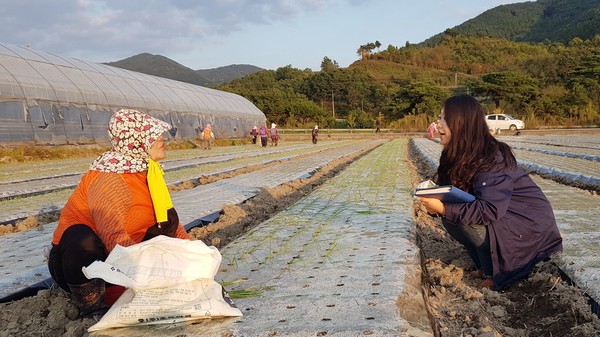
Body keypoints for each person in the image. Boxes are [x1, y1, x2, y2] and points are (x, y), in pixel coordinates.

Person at [48, 109, 192, 317]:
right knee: (80, 237)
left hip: (120, 255)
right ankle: (92, 305)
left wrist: (194, 252)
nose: (162, 140)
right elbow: (113, 237)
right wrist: (146, 274)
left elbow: (173, 226)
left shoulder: (149, 172)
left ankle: (124, 286)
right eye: (154, 135)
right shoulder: (111, 179)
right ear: (135, 141)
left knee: (168, 219)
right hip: (81, 263)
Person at [418, 95, 562, 291]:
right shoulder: (457, 153)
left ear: (461, 124)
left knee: (461, 218)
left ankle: (497, 273)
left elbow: (490, 209)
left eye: (444, 119)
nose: (438, 124)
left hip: (528, 228)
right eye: (439, 118)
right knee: (451, 217)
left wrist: (444, 207)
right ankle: (485, 267)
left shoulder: (491, 157)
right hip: (506, 218)